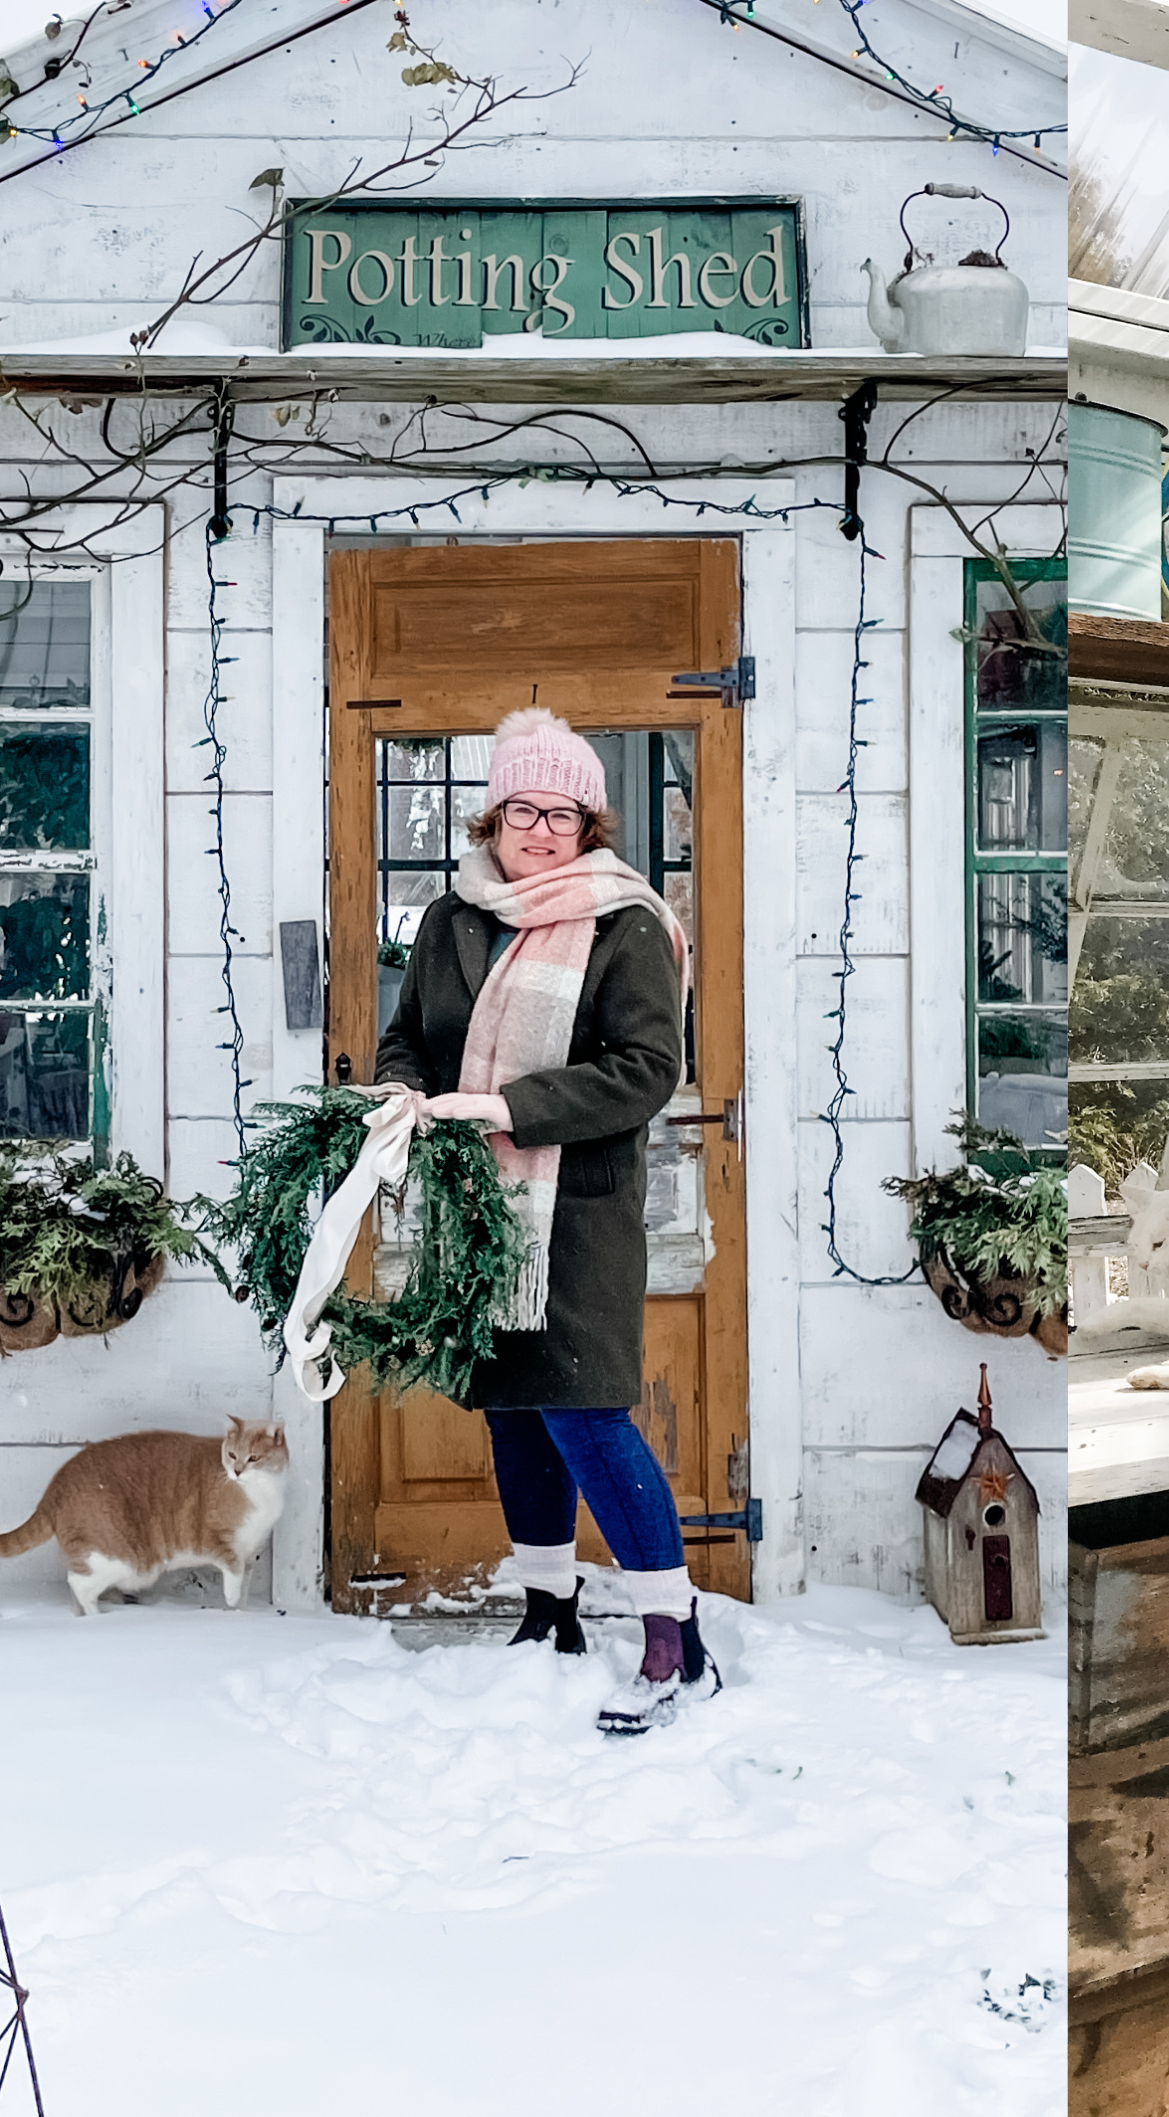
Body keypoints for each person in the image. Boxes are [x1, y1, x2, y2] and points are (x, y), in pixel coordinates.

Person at [375, 708, 717, 1733]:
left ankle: (673, 1633)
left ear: (589, 825)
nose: (539, 828)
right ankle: (548, 1609)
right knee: (512, 1406)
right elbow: (406, 1042)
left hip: (577, 1210)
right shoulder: (450, 921)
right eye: (521, 807)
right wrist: (400, 1093)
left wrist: (507, 1108)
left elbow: (647, 1072)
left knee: (585, 1411)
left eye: (561, 812)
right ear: (491, 817)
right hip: (476, 1207)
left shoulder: (627, 925)